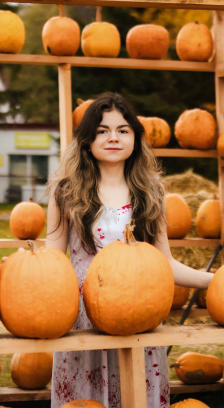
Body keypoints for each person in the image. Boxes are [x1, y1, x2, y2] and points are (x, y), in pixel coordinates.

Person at [46, 92, 213, 408]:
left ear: (135, 138)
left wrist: (212, 280)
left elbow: (164, 263)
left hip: (138, 315)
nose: (113, 138)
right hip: (84, 318)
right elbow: (52, 262)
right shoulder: (65, 193)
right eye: (102, 130)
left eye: (123, 130)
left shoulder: (151, 193)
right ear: (87, 140)